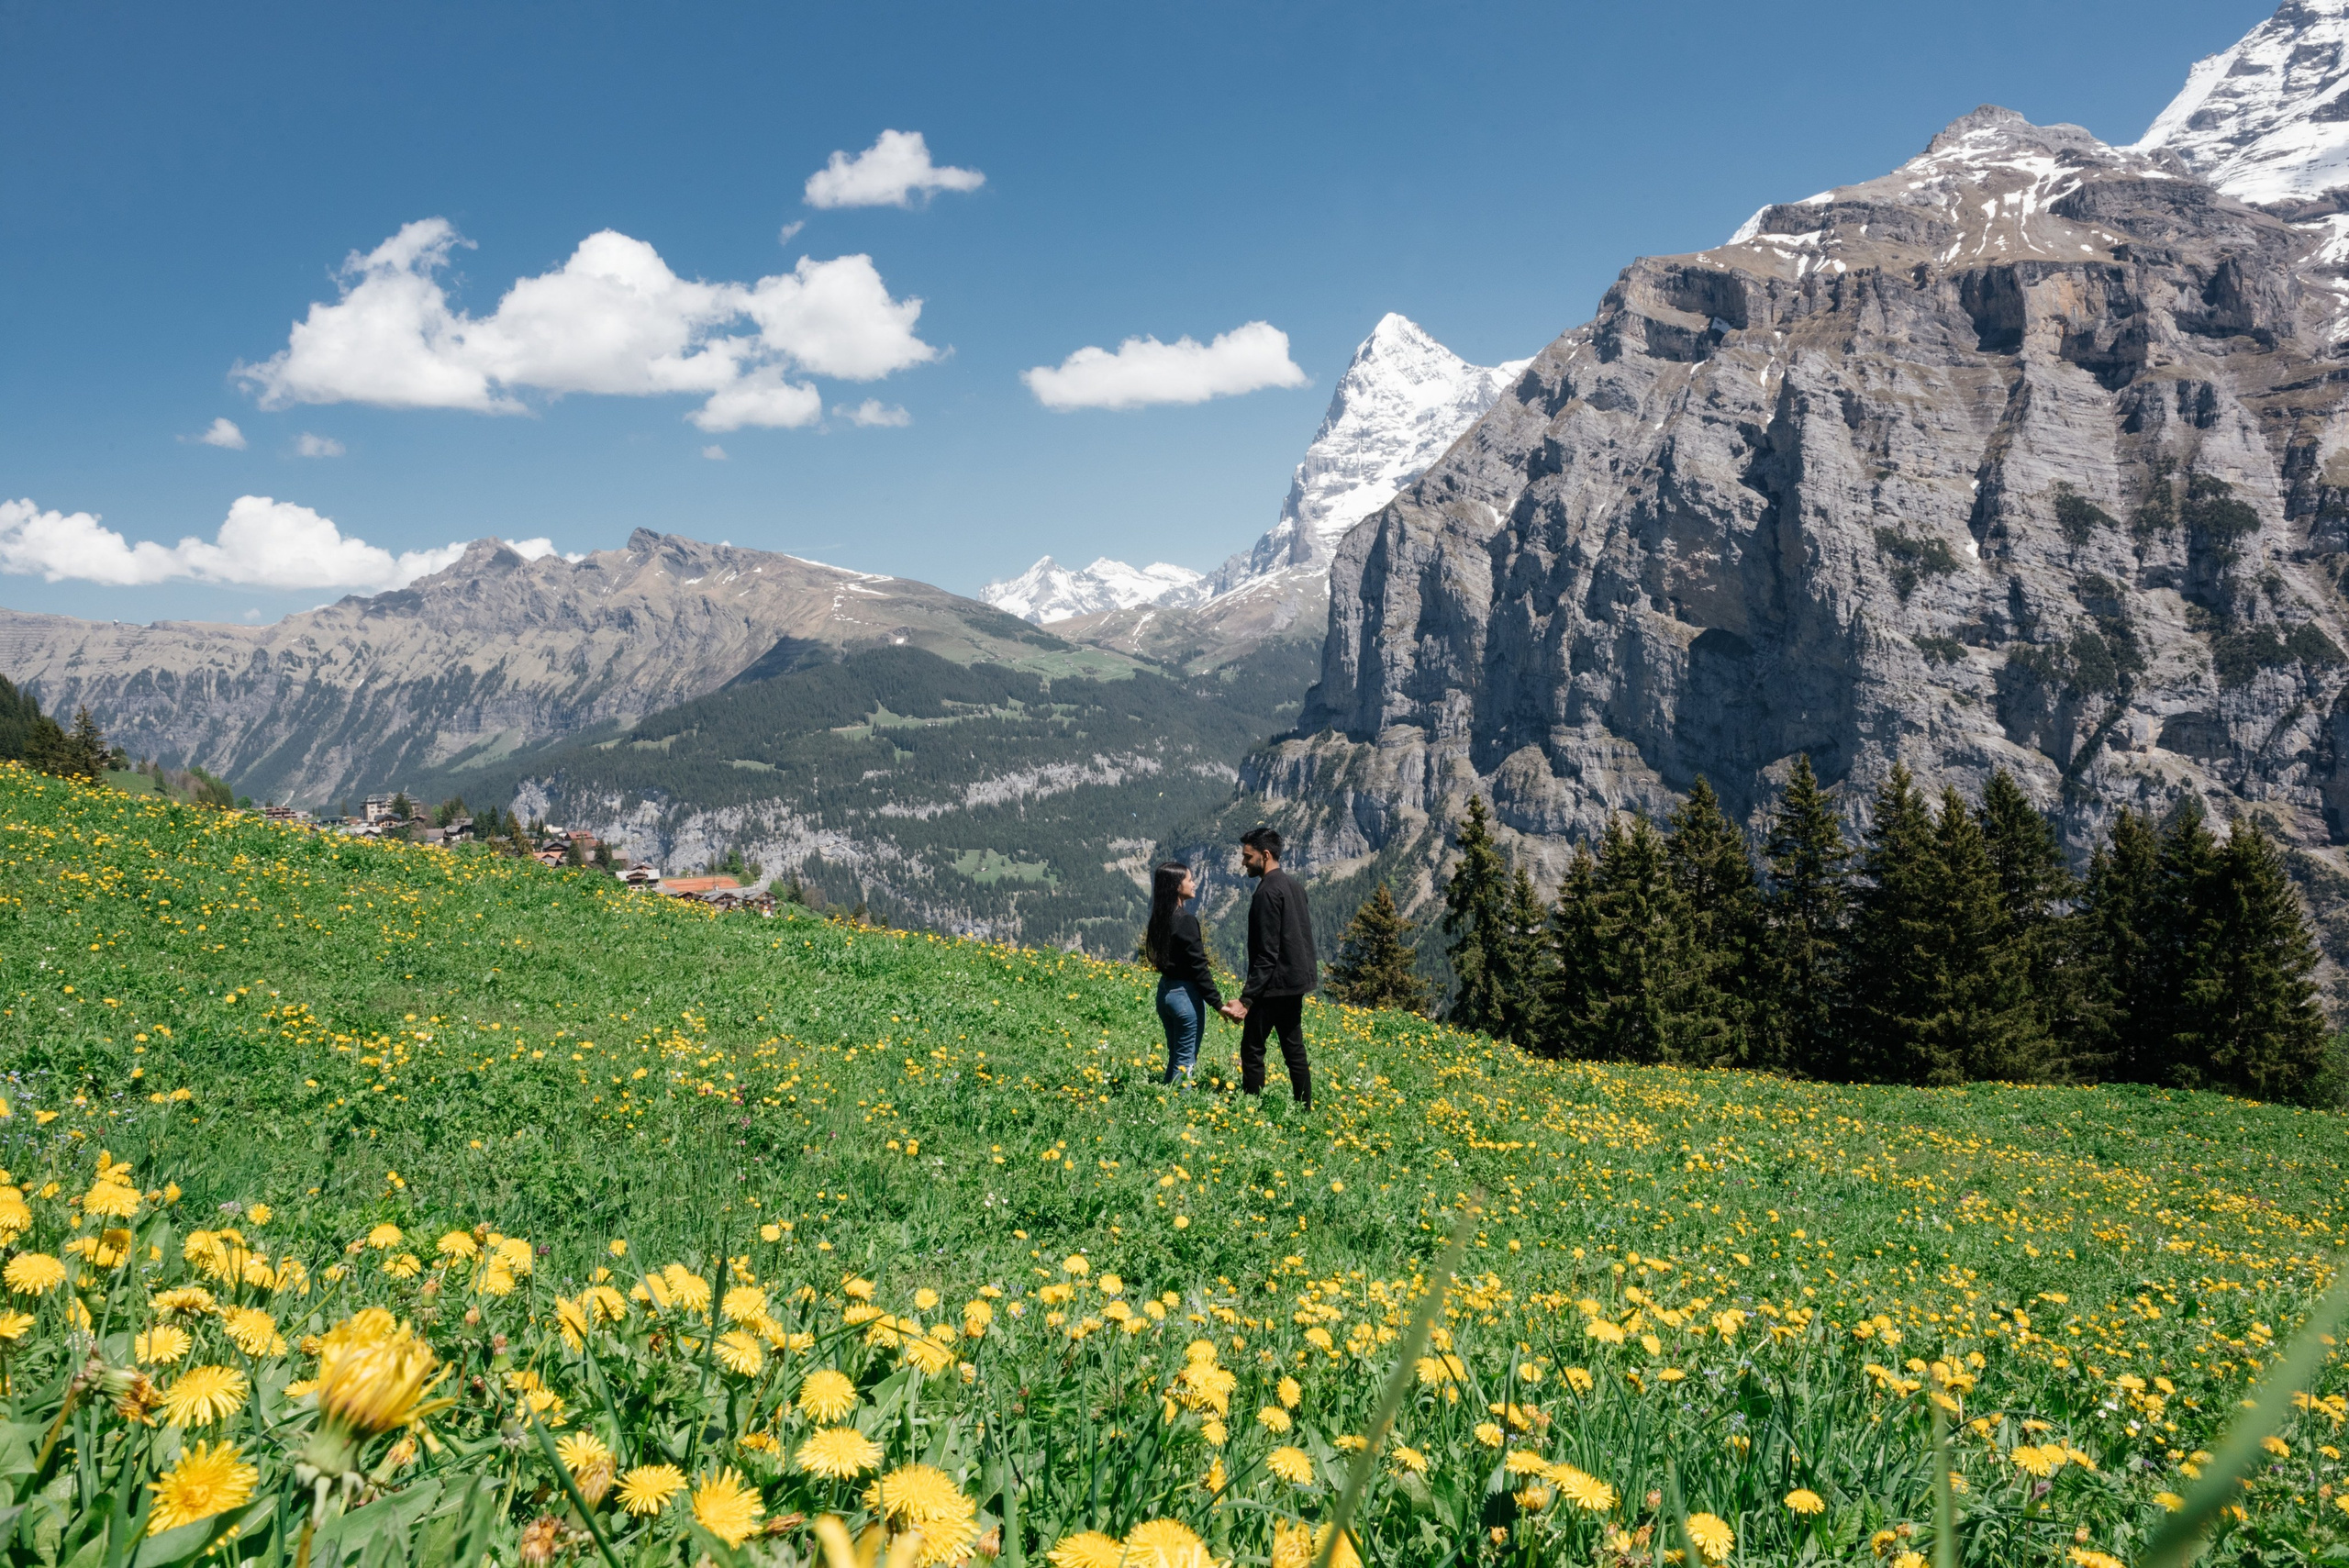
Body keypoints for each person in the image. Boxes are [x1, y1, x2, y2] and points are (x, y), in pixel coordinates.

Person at [1221, 826, 1316, 1106]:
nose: (1243, 863)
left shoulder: (1266, 893)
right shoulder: (1294, 886)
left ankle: (1251, 1106)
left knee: (1252, 1048)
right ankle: (1305, 1108)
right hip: (1296, 982)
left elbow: (1267, 953)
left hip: (1273, 985)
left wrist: (1247, 999)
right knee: (1294, 1049)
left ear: (1265, 855)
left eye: (1248, 857)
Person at [1142, 860, 1221, 1085]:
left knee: (1175, 1056)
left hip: (1165, 993)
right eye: (1190, 879)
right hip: (1185, 997)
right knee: (1186, 1060)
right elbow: (1199, 967)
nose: (1194, 884)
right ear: (1177, 886)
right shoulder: (1186, 921)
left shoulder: (1160, 918)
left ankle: (1165, 1102)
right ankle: (1176, 1111)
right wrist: (1218, 1004)